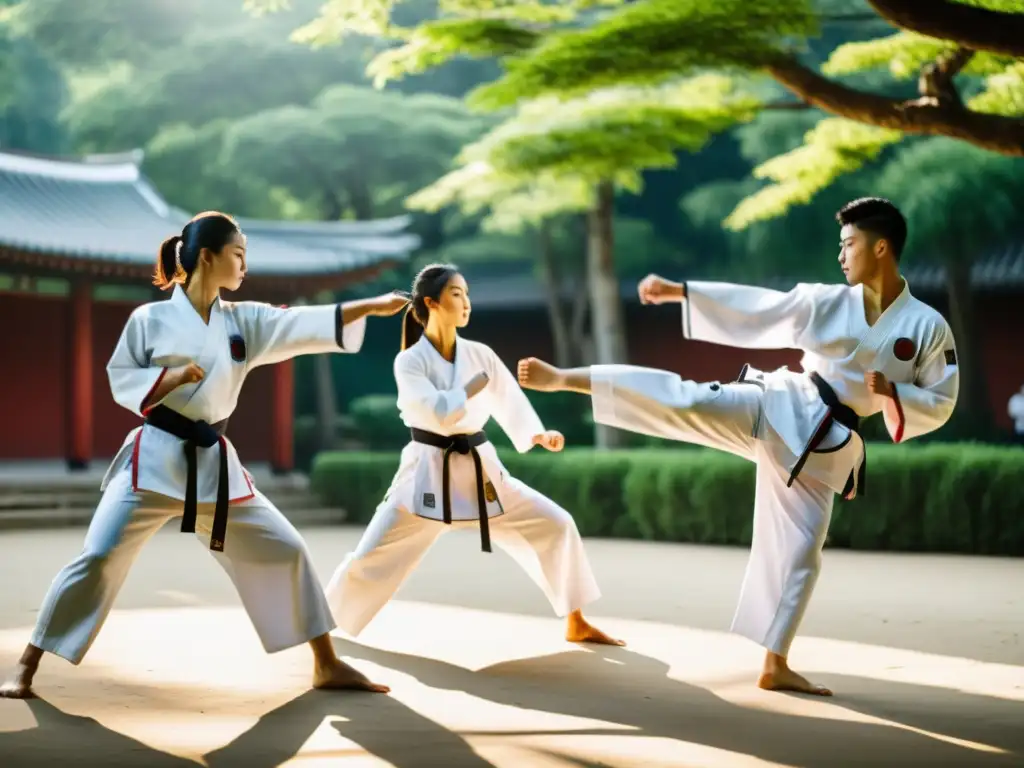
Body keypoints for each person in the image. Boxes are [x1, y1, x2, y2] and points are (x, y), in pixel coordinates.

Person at [517, 198, 959, 696]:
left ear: (881, 247)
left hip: (826, 444)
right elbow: (762, 307)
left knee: (803, 552)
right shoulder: (826, 301)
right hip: (781, 403)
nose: (841, 255)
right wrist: (681, 293)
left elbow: (942, 397)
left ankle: (775, 663)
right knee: (685, 399)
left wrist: (895, 393)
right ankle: (570, 379)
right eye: (840, 246)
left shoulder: (926, 326)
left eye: (849, 245)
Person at [0, 211, 407, 700]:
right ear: (207, 257)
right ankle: (28, 664)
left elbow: (295, 322)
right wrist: (167, 380)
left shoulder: (243, 321)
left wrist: (370, 306)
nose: (244, 266)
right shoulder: (148, 319)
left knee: (287, 547)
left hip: (212, 465)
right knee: (99, 557)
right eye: (238, 255)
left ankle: (326, 663)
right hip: (152, 463)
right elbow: (120, 376)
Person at [325, 263, 623, 647]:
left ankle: (577, 620)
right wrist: (467, 390)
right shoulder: (410, 361)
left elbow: (508, 399)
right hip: (426, 474)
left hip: (482, 472)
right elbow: (433, 410)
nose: (466, 303)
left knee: (556, 523)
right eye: (456, 294)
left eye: (467, 294)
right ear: (431, 303)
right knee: (371, 554)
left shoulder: (479, 353)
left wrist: (537, 433)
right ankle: (324, 625)